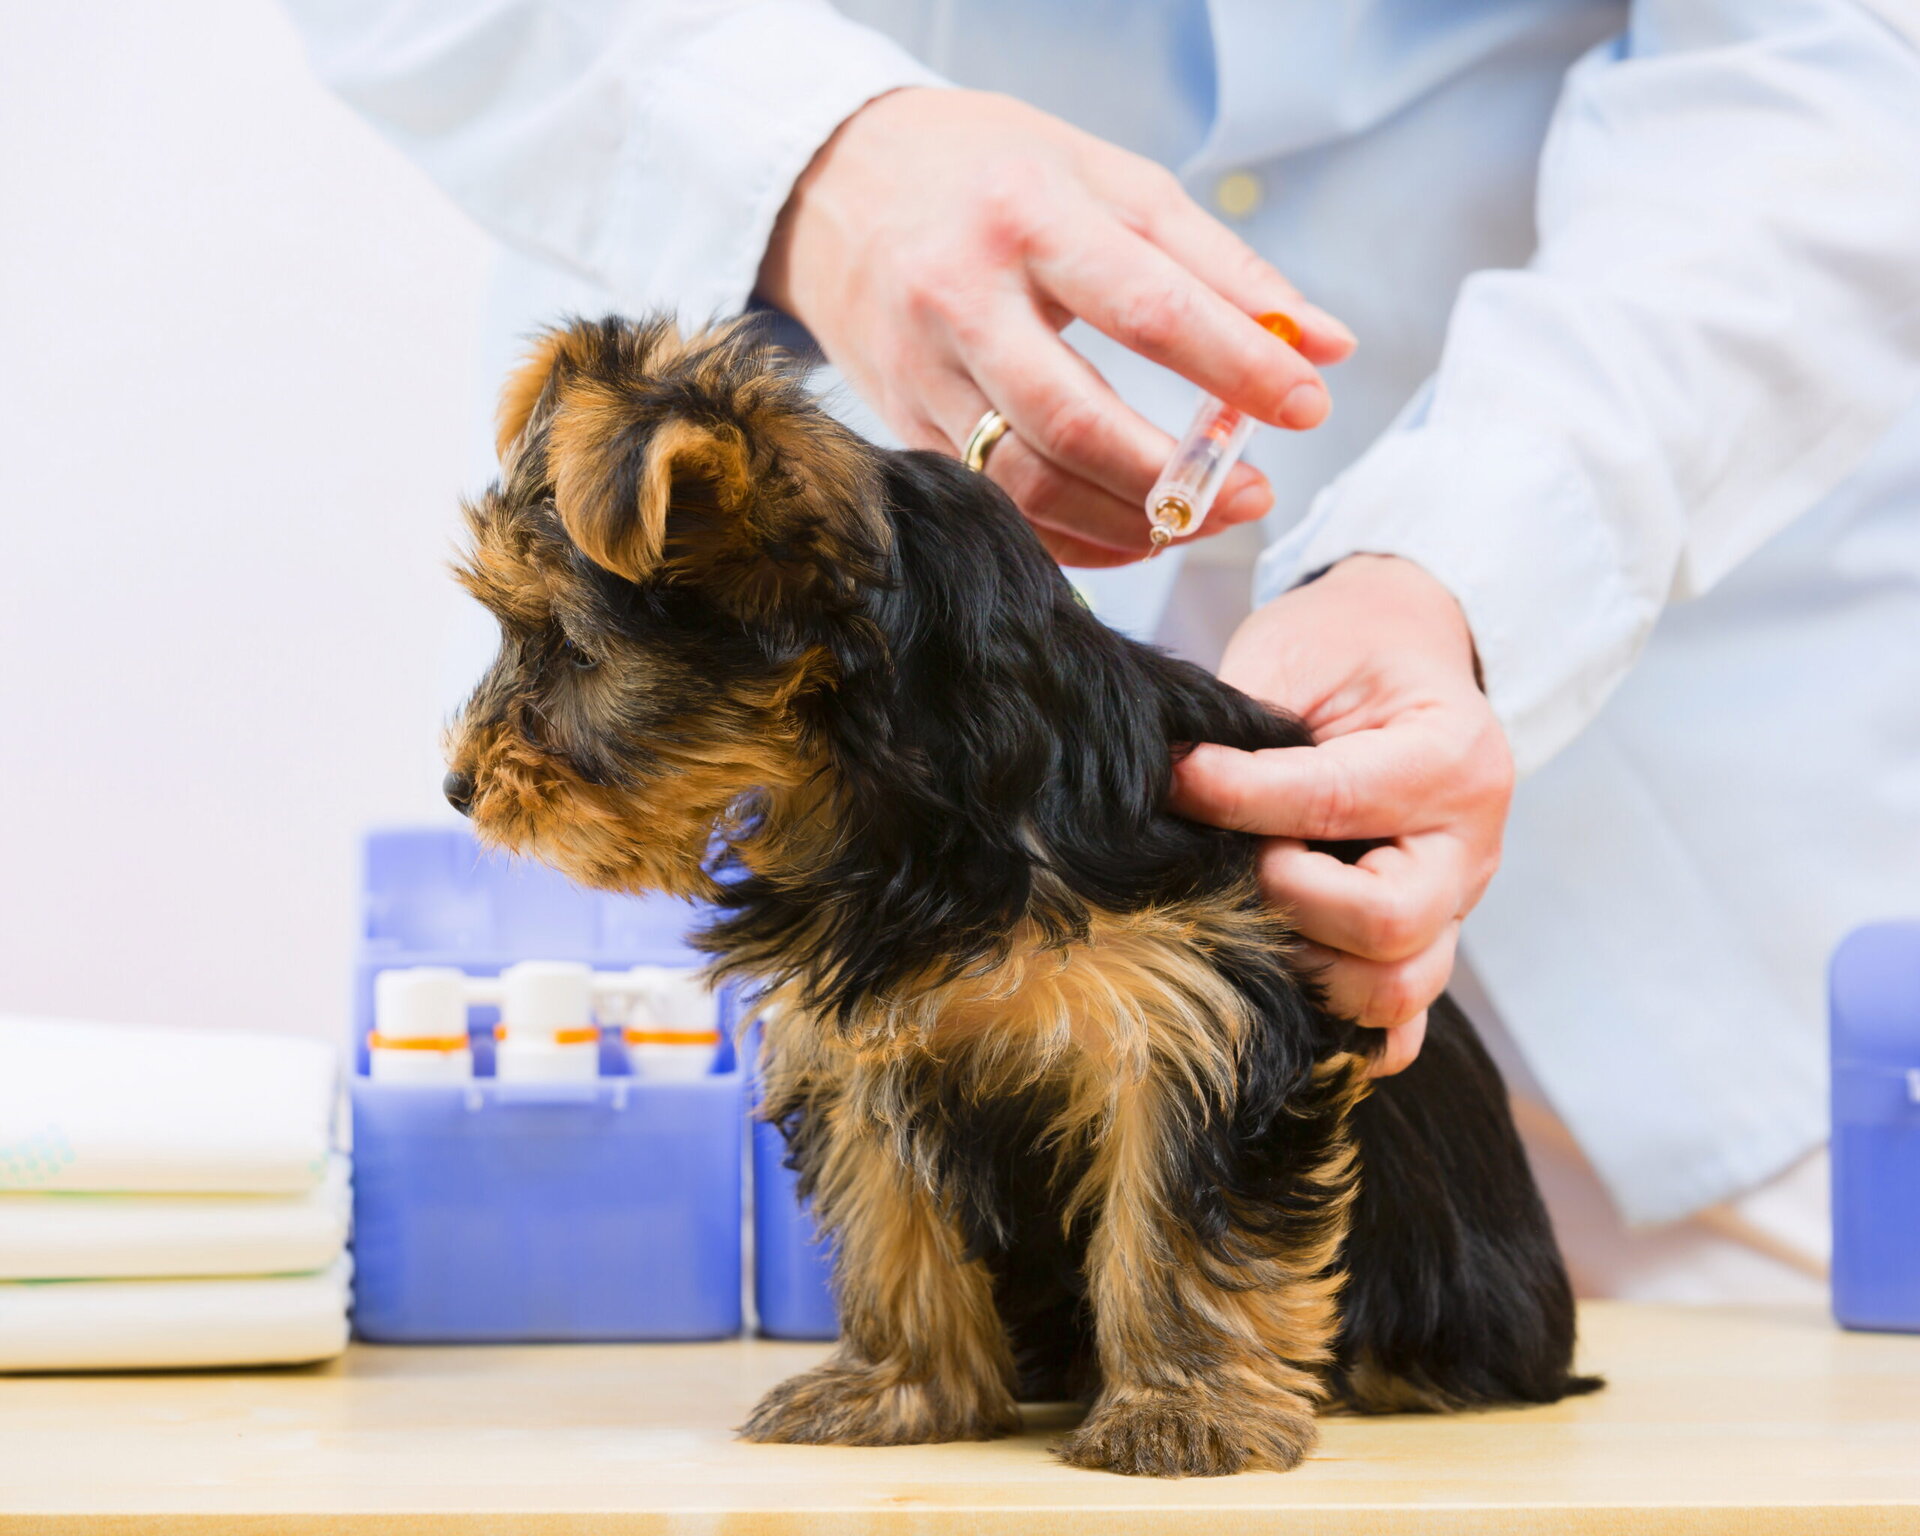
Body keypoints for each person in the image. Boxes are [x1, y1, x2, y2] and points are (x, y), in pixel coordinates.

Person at [285, 0, 1920, 1299]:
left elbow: (1840, 54)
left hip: (1668, 782)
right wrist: (803, 156)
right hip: (825, 726)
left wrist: (1492, 549)